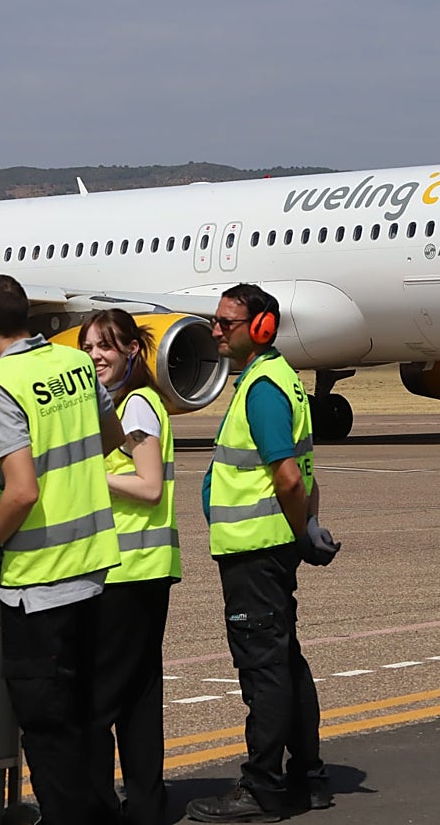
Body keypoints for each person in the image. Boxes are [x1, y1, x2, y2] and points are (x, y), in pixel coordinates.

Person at [0, 274, 126, 825]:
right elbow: (110, 438)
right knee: (86, 718)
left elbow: (22, 490)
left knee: (47, 729)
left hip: (38, 584)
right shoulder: (77, 363)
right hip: (94, 570)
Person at [186, 283, 338, 823]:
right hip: (268, 547)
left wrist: (301, 531)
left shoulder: (263, 389)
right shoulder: (276, 380)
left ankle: (263, 787)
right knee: (285, 660)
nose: (216, 330)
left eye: (227, 322)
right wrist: (307, 529)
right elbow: (306, 468)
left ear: (262, 328)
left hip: (256, 550)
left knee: (263, 669)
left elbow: (290, 476)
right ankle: (308, 776)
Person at [78, 309, 180, 825]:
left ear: (132, 352)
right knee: (138, 698)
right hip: (143, 567)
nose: (96, 355)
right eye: (90, 347)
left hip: (127, 570)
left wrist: (88, 475)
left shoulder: (136, 405)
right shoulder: (127, 404)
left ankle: (98, 807)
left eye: (107, 347)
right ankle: (146, 805)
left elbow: (149, 485)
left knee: (98, 702)